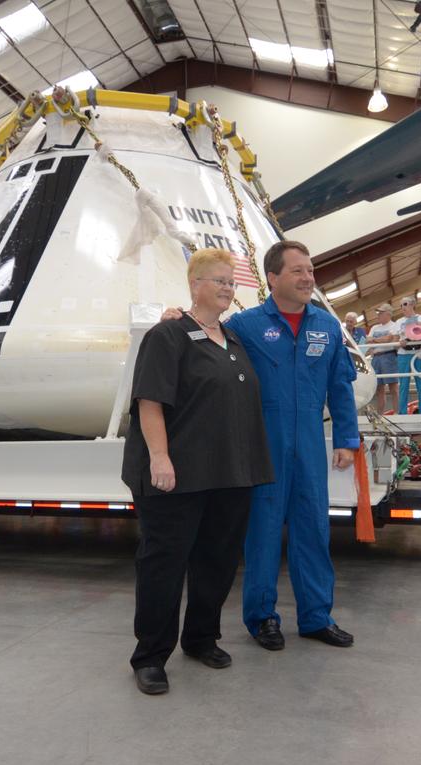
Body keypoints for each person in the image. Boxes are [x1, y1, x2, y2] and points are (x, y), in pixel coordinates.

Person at [169, 241, 360, 649]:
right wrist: (175, 318)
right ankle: (261, 619)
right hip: (261, 447)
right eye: (297, 271)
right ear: (273, 278)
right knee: (263, 533)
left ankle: (315, 617)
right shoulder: (247, 325)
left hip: (309, 444)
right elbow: (205, 340)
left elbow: (340, 386)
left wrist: (346, 438)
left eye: (310, 270)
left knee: (314, 530)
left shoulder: (326, 327)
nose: (308, 278)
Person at [121, 247, 274, 695]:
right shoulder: (167, 335)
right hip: (178, 474)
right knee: (164, 565)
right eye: (219, 280)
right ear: (195, 285)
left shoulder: (232, 341)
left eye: (231, 281)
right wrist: (160, 459)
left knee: (217, 561)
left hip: (229, 474)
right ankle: (150, 656)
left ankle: (201, 638)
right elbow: (149, 401)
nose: (228, 288)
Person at [396, 296, 421, 415]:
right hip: (403, 354)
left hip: (419, 354)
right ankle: (402, 412)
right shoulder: (398, 322)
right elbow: (395, 336)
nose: (403, 307)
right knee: (403, 385)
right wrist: (399, 342)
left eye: (405, 304)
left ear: (412, 305)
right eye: (401, 305)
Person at [367, 303, 400, 414]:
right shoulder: (374, 327)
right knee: (379, 388)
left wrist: (375, 340)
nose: (378, 315)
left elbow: (389, 339)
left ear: (388, 314)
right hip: (376, 358)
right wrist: (380, 340)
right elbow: (368, 340)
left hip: (389, 355)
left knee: (393, 387)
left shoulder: (394, 325)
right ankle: (380, 414)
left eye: (380, 313)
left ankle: (397, 412)